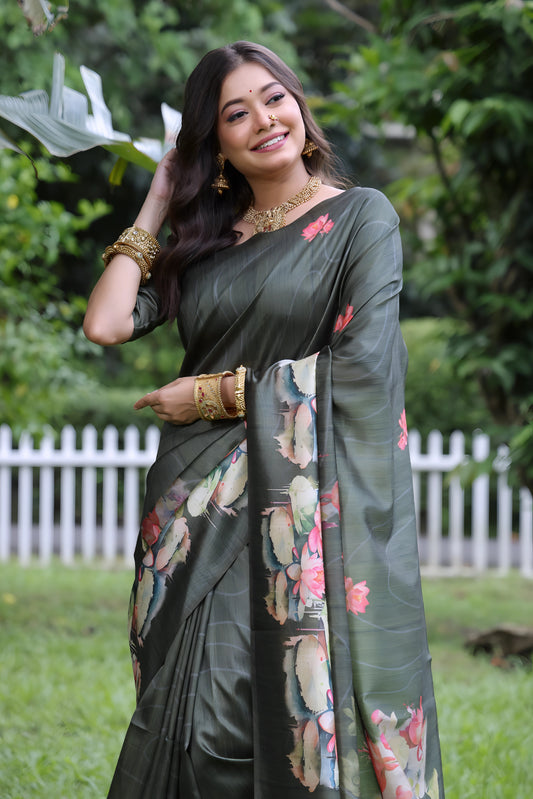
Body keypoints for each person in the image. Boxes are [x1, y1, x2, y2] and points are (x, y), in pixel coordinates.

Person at [84, 41, 444, 799]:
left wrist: (208, 394)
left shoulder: (359, 219)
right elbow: (109, 322)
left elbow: (362, 369)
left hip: (295, 508)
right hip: (192, 508)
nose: (263, 121)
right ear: (212, 144)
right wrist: (159, 198)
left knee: (233, 719)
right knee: (182, 715)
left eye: (273, 98)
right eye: (234, 114)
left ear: (300, 107)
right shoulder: (207, 243)